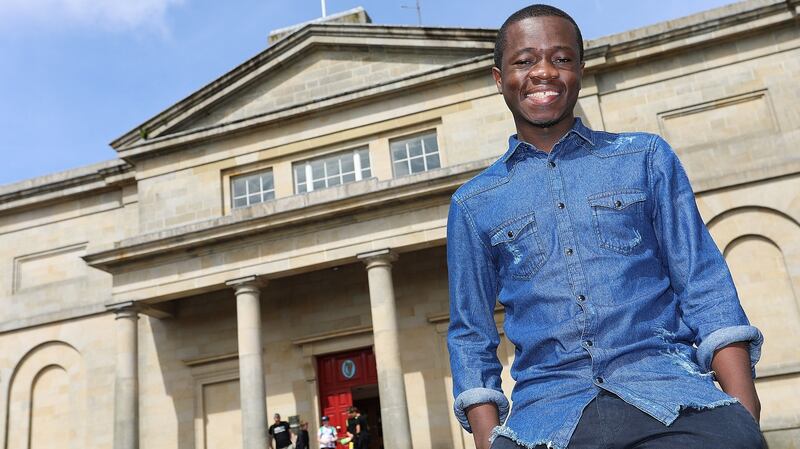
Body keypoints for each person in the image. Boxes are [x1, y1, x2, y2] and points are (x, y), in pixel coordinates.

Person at [446, 4, 765, 449]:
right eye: (524, 61)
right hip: (547, 418)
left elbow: (703, 283)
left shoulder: (646, 157)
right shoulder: (473, 203)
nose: (543, 73)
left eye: (561, 59)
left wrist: (743, 412)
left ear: (580, 68)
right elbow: (470, 333)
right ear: (500, 78)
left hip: (669, 393)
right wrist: (487, 438)